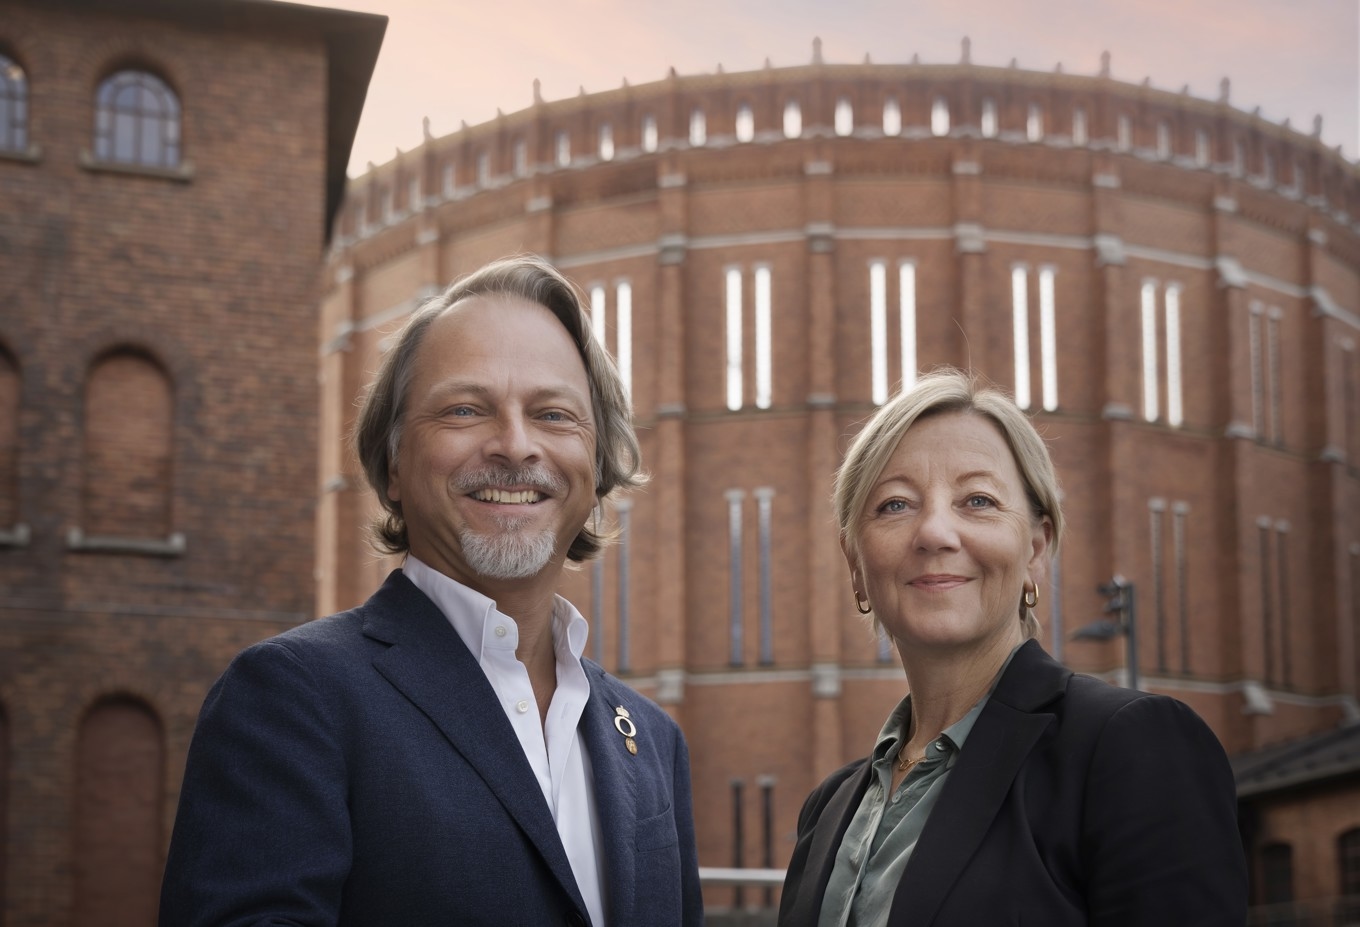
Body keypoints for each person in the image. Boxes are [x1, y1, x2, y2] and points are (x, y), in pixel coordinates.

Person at [160, 255, 704, 927]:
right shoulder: (292, 700)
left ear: (595, 468)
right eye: (465, 409)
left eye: (554, 414)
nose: (514, 445)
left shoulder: (650, 738)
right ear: (393, 465)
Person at [778, 368, 1247, 927]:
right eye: (895, 505)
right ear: (856, 565)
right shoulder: (829, 808)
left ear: (1035, 551)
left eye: (977, 500)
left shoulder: (1126, 748)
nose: (935, 533)